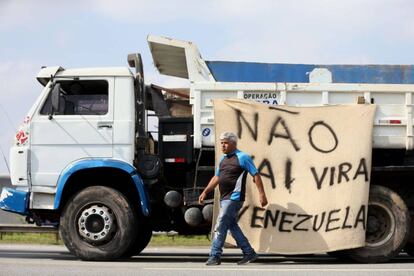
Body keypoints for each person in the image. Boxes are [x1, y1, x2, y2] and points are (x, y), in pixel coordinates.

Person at [199, 131, 268, 265]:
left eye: (225, 143)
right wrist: (206, 191)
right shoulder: (223, 159)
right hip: (224, 198)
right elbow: (217, 177)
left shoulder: (243, 157)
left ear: (233, 143)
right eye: (221, 143)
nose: (222, 146)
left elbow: (256, 175)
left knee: (220, 224)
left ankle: (215, 255)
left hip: (234, 198)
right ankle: (249, 253)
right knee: (231, 226)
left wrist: (262, 195)